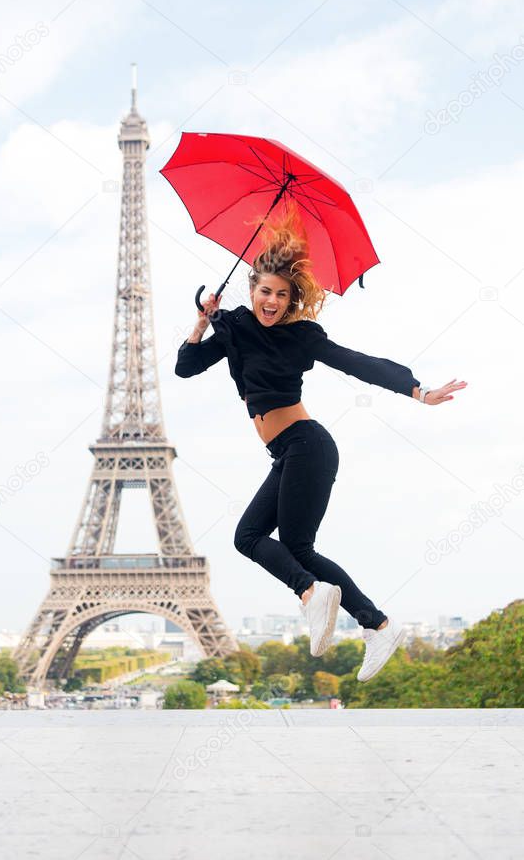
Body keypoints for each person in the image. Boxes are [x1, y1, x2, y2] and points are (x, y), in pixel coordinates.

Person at [175, 203, 467, 682]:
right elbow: (185, 368)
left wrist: (418, 390)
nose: (271, 301)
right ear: (251, 290)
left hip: (308, 445)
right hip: (286, 452)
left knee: (286, 544)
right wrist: (203, 322)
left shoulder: (302, 336)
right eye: (265, 291)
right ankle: (375, 623)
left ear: (292, 299)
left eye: (281, 295)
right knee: (255, 539)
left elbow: (357, 362)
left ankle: (316, 596)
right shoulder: (235, 329)